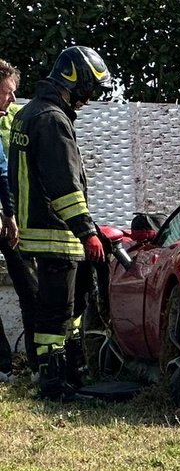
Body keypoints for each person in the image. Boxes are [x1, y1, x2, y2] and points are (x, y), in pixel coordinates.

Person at [9, 46, 114, 400]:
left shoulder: (29, 113)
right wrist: (87, 231)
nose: (89, 99)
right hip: (57, 234)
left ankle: (68, 374)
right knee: (58, 315)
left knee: (64, 311)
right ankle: (55, 385)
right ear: (75, 81)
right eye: (89, 90)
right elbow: (64, 184)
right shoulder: (53, 120)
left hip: (38, 231)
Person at [0, 60, 40, 376]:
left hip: (12, 214)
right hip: (7, 214)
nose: (13, 99)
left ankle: (39, 362)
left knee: (30, 288)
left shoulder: (18, 118)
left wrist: (11, 213)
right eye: (7, 92)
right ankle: (4, 365)